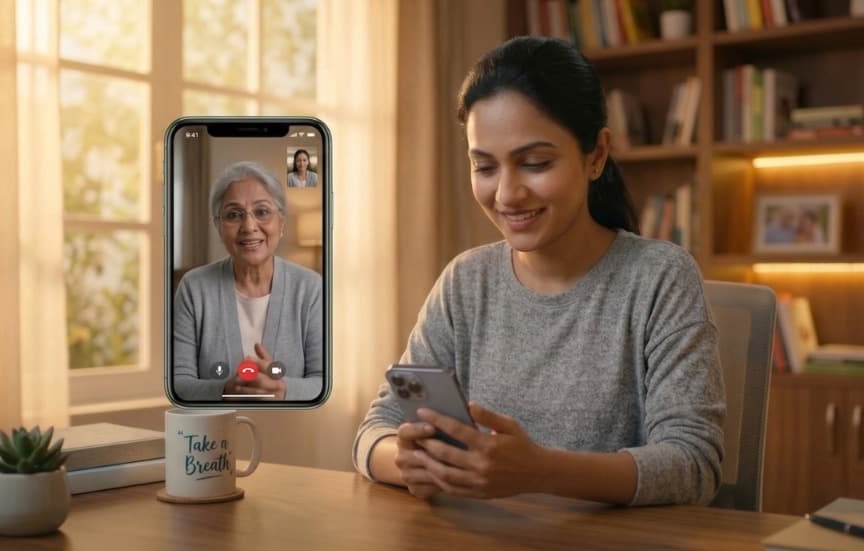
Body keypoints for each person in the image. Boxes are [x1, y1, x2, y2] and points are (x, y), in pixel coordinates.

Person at [352, 36, 725, 507]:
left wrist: (541, 472)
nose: (507, 195)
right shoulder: (465, 282)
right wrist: (408, 462)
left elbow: (693, 464)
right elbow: (376, 429)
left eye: (534, 163)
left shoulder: (659, 279)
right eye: (484, 167)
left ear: (596, 156)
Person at [173, 161, 323, 401]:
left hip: (293, 430)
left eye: (262, 212)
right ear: (218, 226)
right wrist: (225, 390)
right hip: (215, 433)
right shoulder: (194, 288)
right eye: (233, 215)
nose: (249, 226)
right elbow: (178, 383)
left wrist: (282, 389)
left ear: (281, 222)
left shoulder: (312, 288)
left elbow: (324, 381)